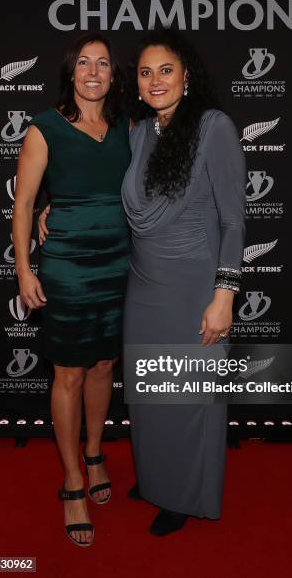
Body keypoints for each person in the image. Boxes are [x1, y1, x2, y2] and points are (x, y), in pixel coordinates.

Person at [121, 29, 246, 535]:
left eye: (165, 70)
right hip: (144, 284)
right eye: (145, 72)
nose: (155, 81)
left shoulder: (213, 127)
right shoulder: (137, 133)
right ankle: (154, 477)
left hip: (195, 287)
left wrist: (224, 297)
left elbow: (234, 221)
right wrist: (49, 208)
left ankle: (182, 495)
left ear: (187, 75)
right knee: (150, 395)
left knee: (187, 397)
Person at [12, 32, 131, 547]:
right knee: (69, 373)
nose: (93, 71)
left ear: (112, 76)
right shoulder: (45, 129)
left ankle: (96, 451)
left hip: (121, 265)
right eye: (84, 62)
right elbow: (23, 205)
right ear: (71, 71)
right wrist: (24, 269)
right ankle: (72, 479)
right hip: (65, 268)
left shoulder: (130, 127)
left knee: (104, 364)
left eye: (103, 64)